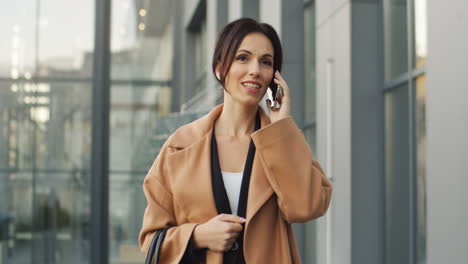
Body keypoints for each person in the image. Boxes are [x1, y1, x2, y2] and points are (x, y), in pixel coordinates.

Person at [139, 18, 332, 263]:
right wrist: (198, 235)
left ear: (274, 77)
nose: (255, 70)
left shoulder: (281, 141)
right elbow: (150, 239)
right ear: (220, 68)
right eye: (243, 58)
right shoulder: (180, 146)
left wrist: (282, 126)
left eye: (266, 62)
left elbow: (307, 206)